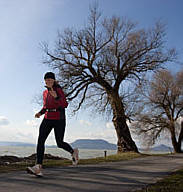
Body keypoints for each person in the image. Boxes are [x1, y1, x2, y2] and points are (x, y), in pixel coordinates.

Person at [27, 72, 79, 177]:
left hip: (59, 118)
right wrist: (40, 113)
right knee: (40, 140)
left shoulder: (58, 90)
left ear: (54, 81)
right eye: (46, 80)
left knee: (59, 143)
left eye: (50, 80)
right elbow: (46, 106)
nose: (48, 81)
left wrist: (56, 97)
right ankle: (38, 167)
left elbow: (65, 104)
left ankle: (73, 151)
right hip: (47, 118)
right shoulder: (45, 93)